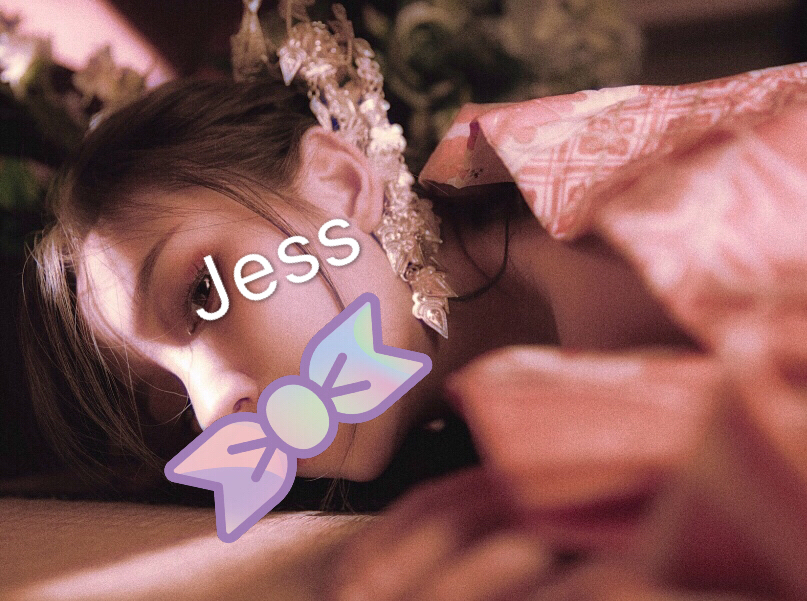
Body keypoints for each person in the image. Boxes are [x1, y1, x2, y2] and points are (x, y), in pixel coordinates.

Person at [20, 11, 807, 600]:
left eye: (201, 290)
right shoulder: (486, 437)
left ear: (338, 184)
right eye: (173, 401)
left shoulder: (652, 217)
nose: (215, 408)